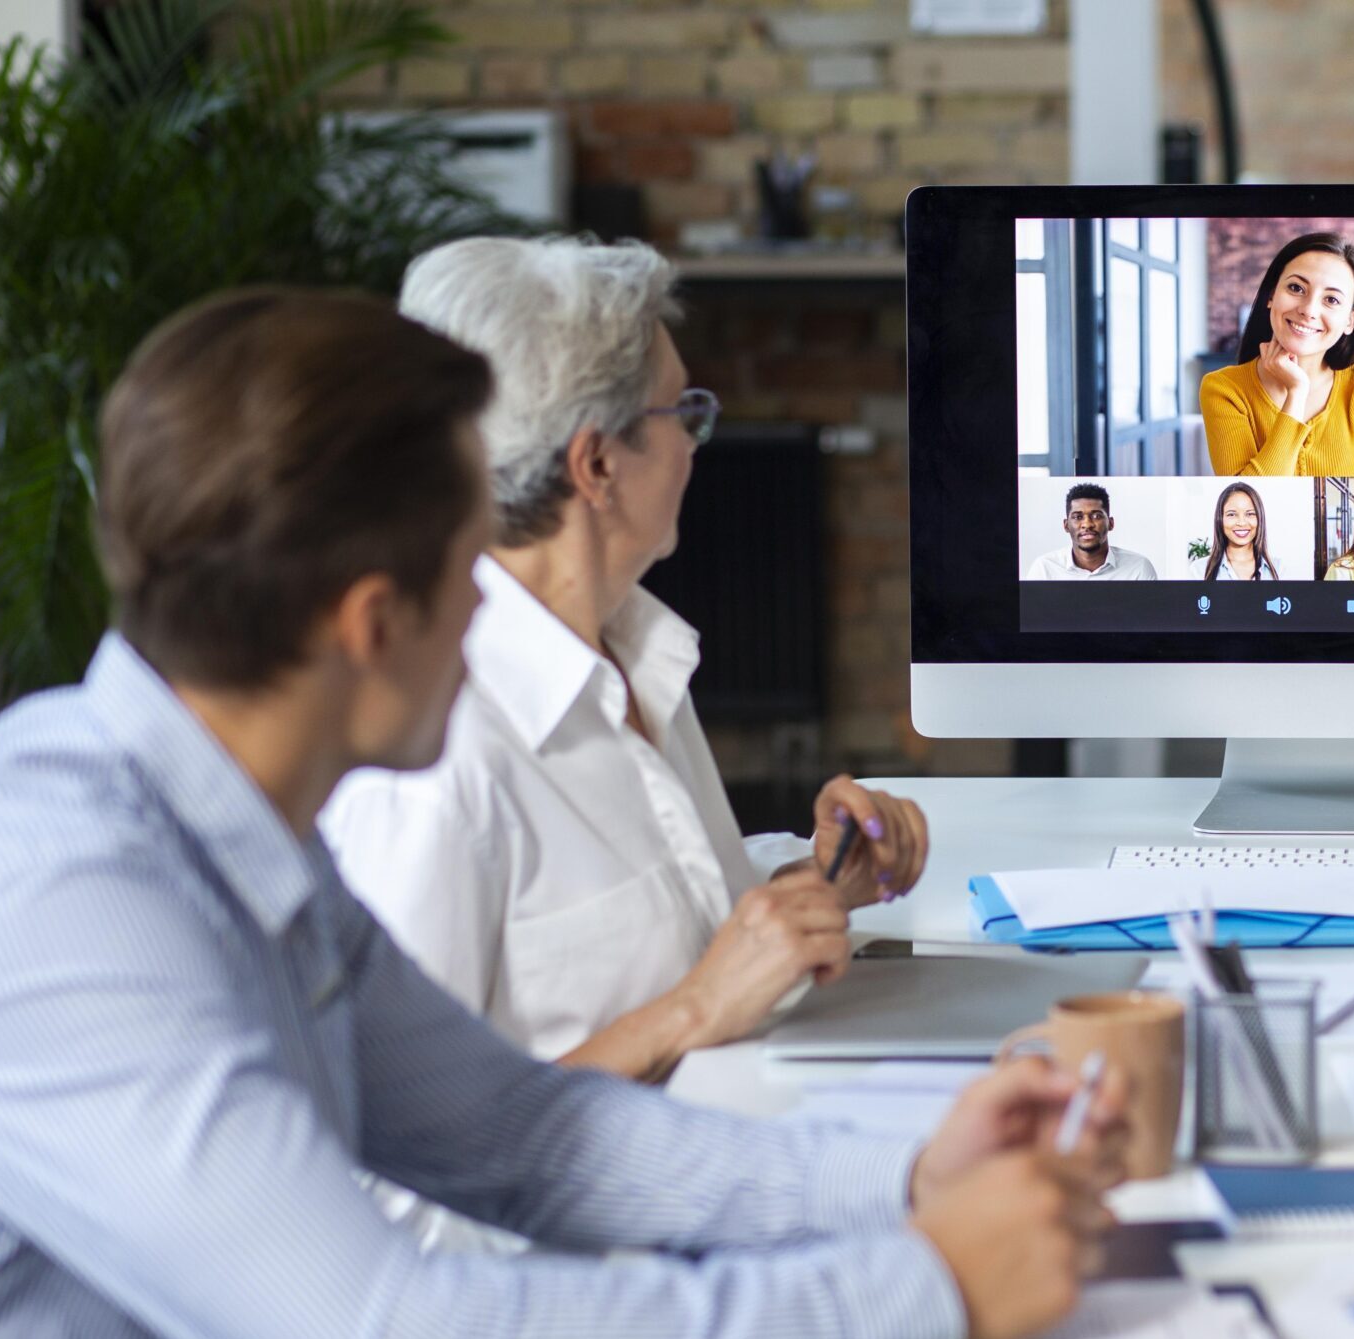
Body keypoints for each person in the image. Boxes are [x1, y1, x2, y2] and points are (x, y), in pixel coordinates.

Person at [0, 288, 1129, 1339]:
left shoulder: (250, 839)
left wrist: (908, 1180)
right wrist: (927, 1291)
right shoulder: (63, 899)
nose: (493, 618)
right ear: (371, 625)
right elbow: (384, 1317)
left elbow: (523, 1135)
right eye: (469, 570)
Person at [323, 237, 925, 1086]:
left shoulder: (636, 654)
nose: (695, 444)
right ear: (597, 463)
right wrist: (690, 1013)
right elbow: (400, 1159)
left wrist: (816, 882)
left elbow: (675, 923)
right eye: (683, 413)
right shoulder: (431, 758)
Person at [1199, 232, 1354, 478]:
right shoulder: (1224, 388)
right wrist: (1296, 395)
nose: (1309, 310)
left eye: (1331, 300)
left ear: (1350, 321)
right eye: (1296, 288)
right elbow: (1250, 500)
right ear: (1271, 295)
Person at [1027, 482, 1158, 580]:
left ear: (1111, 523)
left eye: (1096, 516)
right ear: (1066, 526)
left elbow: (1153, 616)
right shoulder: (1044, 568)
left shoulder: (1138, 568)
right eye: (1078, 517)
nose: (1087, 524)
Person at [1192, 480, 1279, 580]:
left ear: (1260, 518)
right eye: (1232, 514)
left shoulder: (1279, 569)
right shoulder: (1198, 570)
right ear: (1220, 519)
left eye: (1250, 514)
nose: (1241, 523)